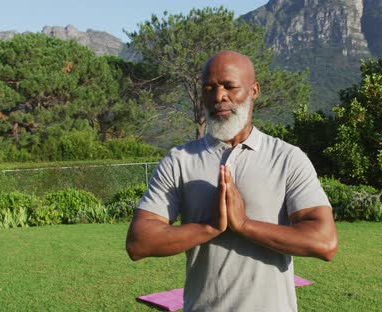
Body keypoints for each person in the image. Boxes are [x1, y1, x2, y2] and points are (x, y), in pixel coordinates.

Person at [126, 50, 338, 311]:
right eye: (209, 88)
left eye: (230, 86)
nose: (218, 97)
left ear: (254, 91)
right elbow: (139, 242)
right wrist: (209, 228)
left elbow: (325, 242)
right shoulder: (179, 160)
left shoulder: (287, 158)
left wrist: (244, 224)